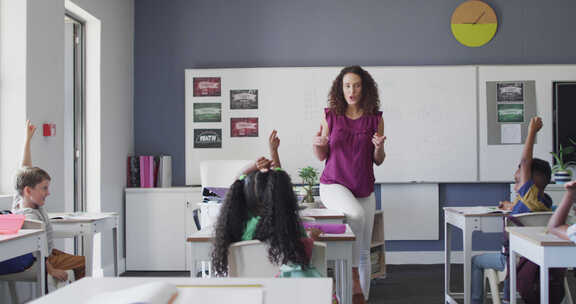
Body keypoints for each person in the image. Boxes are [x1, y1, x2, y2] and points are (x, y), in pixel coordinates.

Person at [313, 65, 386, 303]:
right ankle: (352, 277)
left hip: (364, 187)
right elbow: (321, 155)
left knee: (364, 252)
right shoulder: (331, 116)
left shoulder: (376, 118)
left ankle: (359, 298)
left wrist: (379, 146)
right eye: (347, 85)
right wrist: (318, 142)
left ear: (364, 88)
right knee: (355, 215)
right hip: (334, 183)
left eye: (356, 85)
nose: (351, 90)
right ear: (340, 88)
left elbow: (378, 161)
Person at [211, 130, 322, 278]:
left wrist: (256, 164)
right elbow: (304, 255)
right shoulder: (289, 226)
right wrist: (313, 239)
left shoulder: (239, 227)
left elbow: (237, 182)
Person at [470, 116, 552, 304]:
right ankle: (508, 299)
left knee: (476, 261)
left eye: (518, 181)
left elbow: (525, 162)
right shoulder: (544, 203)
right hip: (535, 260)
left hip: (512, 261)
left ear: (529, 183)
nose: (516, 187)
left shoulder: (528, 193)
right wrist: (511, 206)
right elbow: (528, 212)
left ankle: (475, 301)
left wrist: (532, 131)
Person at [11, 120, 85, 281]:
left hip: (50, 253)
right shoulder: (28, 216)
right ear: (28, 190)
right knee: (82, 262)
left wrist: (27, 140)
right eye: (44, 188)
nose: (48, 193)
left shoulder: (21, 198)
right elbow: (36, 252)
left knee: (77, 260)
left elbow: (24, 167)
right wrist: (50, 270)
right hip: (45, 259)